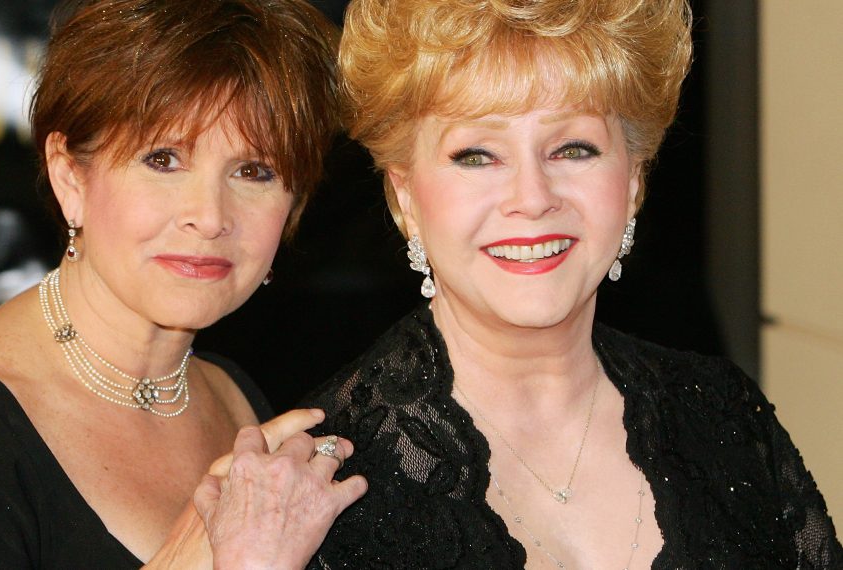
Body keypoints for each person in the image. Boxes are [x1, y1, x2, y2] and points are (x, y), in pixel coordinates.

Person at [304, 0, 842, 567]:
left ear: (634, 180)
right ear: (406, 196)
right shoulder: (324, 477)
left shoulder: (726, 419)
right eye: (477, 156)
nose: (533, 199)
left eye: (573, 148)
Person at [0, 0, 366, 568]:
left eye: (254, 171)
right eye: (164, 159)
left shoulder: (233, 396)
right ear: (69, 176)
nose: (211, 215)